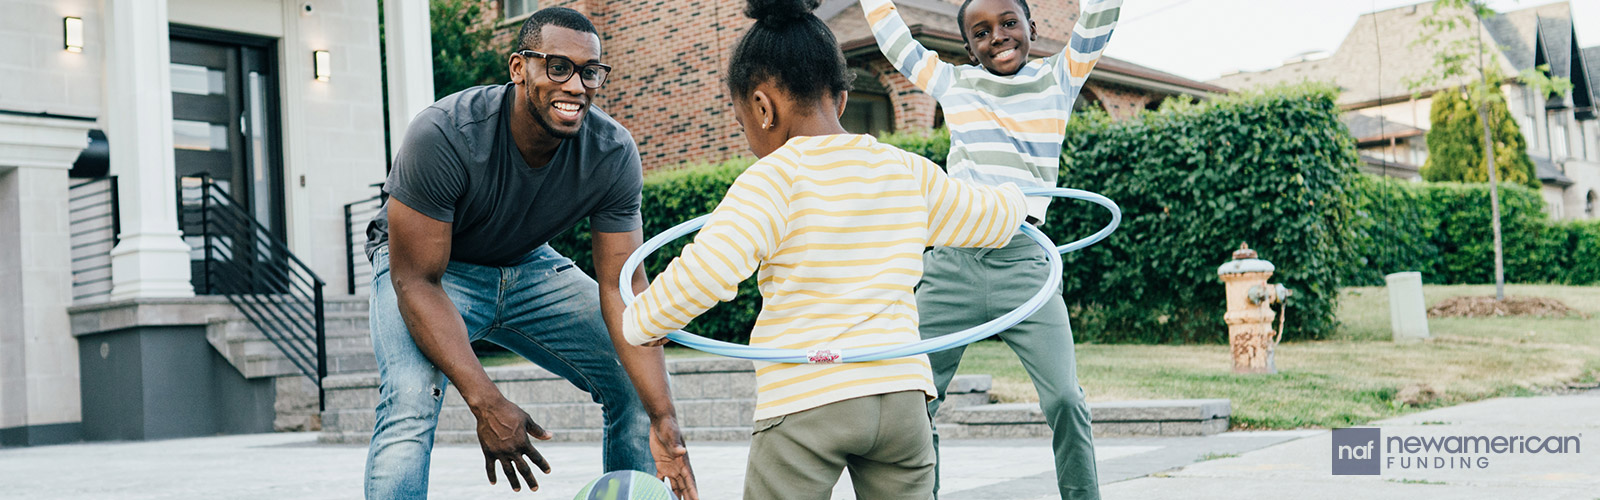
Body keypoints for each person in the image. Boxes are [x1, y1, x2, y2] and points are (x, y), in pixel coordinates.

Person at [619, 1, 1028, 498]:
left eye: (740, 115)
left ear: (762, 107)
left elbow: (706, 272)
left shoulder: (772, 179)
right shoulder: (905, 170)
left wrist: (644, 321)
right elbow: (990, 219)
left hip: (809, 395)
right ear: (839, 99)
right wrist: (1017, 197)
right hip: (901, 395)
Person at [362, 7, 697, 500]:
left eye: (590, 72)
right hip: (430, 274)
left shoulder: (612, 153)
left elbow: (622, 289)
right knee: (410, 400)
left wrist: (664, 417)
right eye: (558, 67)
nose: (577, 86)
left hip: (527, 265)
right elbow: (415, 282)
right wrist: (486, 400)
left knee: (635, 384)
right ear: (520, 69)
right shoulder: (443, 134)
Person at [858, 0, 1123, 498]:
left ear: (1032, 27)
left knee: (1066, 397)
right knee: (914, 400)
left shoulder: (1060, 77)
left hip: (1025, 263)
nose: (997, 36)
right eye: (981, 32)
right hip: (953, 261)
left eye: (1008, 23)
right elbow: (897, 45)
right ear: (968, 47)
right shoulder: (955, 84)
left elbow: (1100, 19)